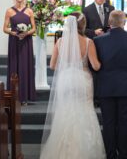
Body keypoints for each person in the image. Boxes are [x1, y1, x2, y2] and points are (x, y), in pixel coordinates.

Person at [40, 12, 105, 159]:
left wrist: (67, 66)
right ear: (83, 25)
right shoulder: (88, 42)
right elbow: (95, 66)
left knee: (65, 111)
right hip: (82, 79)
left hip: (65, 79)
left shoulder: (60, 42)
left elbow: (52, 66)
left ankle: (62, 151)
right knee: (84, 111)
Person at [94, 10, 127, 159]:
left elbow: (94, 66)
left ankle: (110, 155)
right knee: (124, 124)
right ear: (124, 22)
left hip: (105, 88)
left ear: (109, 23)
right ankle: (123, 155)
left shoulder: (99, 41)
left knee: (108, 124)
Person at [3, 0, 36, 104]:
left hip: (26, 43)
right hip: (14, 42)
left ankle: (25, 96)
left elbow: (34, 28)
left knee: (25, 67)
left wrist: (26, 33)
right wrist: (13, 33)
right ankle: (14, 96)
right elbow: (5, 28)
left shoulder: (29, 11)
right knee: (14, 67)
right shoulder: (9, 11)